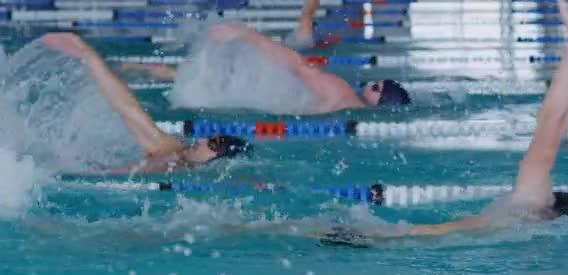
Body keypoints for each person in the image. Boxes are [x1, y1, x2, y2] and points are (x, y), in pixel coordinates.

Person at [319, 0, 568, 245]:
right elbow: (559, 122)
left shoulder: (530, 201)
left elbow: (551, 126)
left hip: (386, 237)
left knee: (295, 230)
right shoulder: (527, 221)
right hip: (400, 241)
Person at [122, 0, 410, 115]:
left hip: (248, 98)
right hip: (263, 106)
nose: (369, 84)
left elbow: (299, 65)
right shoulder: (349, 106)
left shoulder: (341, 91)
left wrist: (246, 33)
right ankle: (139, 69)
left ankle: (131, 68)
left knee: (199, 78)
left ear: (378, 101)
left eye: (375, 87)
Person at [42, 33, 250, 175]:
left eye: (212, 144)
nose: (202, 139)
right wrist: (88, 55)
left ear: (219, 161)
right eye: (209, 137)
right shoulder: (170, 149)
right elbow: (127, 108)